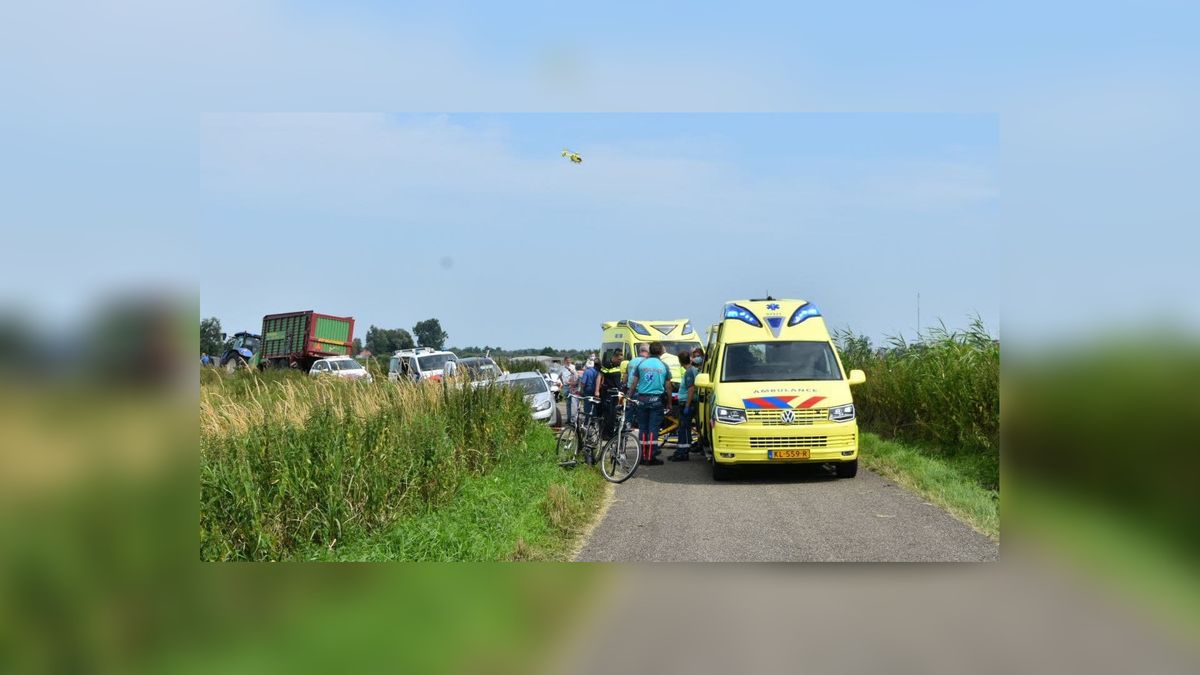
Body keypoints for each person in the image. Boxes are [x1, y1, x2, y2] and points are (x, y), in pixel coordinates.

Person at [627, 342, 672, 465]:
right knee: (653, 429)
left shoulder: (641, 364)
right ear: (660, 352)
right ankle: (650, 457)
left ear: (650, 351)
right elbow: (668, 386)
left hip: (642, 399)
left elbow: (634, 384)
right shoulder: (663, 366)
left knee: (643, 428)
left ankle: (642, 456)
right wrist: (669, 403)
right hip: (657, 400)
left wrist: (629, 397)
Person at [669, 351, 697, 461]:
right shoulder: (693, 370)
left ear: (680, 362)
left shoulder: (689, 372)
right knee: (684, 428)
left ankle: (682, 453)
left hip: (686, 403)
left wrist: (687, 406)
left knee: (683, 429)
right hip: (687, 403)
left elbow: (691, 389)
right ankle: (682, 451)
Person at [598, 351, 625, 439]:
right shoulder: (607, 364)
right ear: (615, 357)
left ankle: (610, 434)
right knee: (607, 415)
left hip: (616, 394)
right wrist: (597, 391)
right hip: (607, 393)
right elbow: (600, 377)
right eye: (619, 359)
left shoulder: (618, 366)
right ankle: (605, 434)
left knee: (613, 415)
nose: (620, 361)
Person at [561, 358, 578, 423]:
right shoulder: (562, 368)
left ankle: (573, 419)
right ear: (565, 361)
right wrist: (563, 383)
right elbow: (560, 376)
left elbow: (575, 375)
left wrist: (570, 382)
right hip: (566, 386)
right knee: (568, 403)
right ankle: (568, 419)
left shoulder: (573, 367)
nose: (568, 362)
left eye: (569, 361)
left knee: (573, 403)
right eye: (567, 361)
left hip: (572, 386)